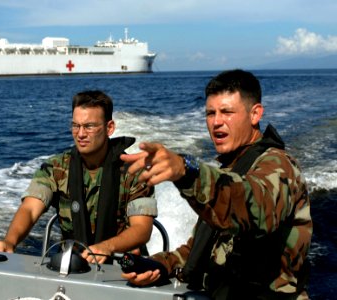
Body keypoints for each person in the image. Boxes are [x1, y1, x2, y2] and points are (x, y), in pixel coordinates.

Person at [120, 70, 312, 299]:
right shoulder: (228, 172)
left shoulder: (280, 167)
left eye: (227, 112)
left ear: (255, 114)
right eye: (210, 113)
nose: (216, 122)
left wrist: (186, 172)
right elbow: (198, 250)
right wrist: (159, 264)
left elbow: (252, 208)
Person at [0, 90, 157, 264]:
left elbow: (142, 228)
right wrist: (10, 241)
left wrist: (107, 247)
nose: (81, 134)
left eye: (89, 126)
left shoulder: (135, 172)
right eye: (76, 126)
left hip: (123, 268)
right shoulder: (56, 168)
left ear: (109, 128)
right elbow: (30, 209)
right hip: (73, 266)